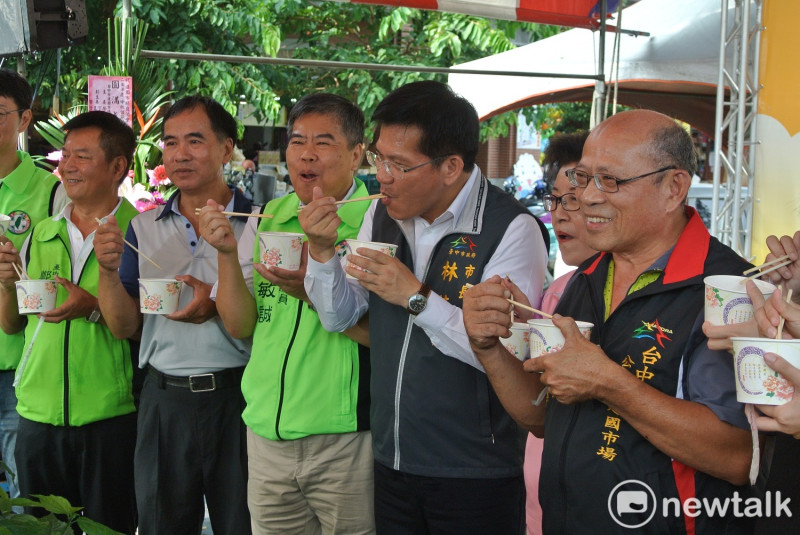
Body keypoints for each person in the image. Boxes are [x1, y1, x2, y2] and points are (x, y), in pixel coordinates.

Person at [463, 109, 754, 534]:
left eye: (611, 181)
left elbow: (736, 458)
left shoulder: (727, 293)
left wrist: (609, 383)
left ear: (673, 188)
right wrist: (488, 345)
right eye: (583, 178)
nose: (588, 197)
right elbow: (543, 418)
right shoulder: (586, 278)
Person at [301, 80, 549, 534]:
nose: (384, 176)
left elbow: (509, 354)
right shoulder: (382, 213)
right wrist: (321, 253)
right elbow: (338, 315)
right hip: (392, 457)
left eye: (399, 164)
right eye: (379, 158)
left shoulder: (512, 229)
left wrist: (415, 298)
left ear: (451, 166)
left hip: (475, 468)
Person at [200, 93, 374, 534]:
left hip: (343, 438)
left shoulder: (377, 221)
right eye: (297, 142)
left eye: (324, 142)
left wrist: (309, 290)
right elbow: (239, 324)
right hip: (265, 432)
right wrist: (224, 252)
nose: (307, 154)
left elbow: (385, 334)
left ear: (357, 154)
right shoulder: (269, 216)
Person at [94, 96, 252, 535]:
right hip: (164, 401)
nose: (180, 154)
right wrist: (107, 272)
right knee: (162, 524)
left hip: (239, 399)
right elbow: (125, 326)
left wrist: (218, 306)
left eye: (195, 141)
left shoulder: (259, 223)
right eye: (170, 142)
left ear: (226, 148)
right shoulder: (142, 228)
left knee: (244, 524)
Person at [0, 110, 137, 533]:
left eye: (82, 156)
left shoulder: (141, 233)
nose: (66, 167)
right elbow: (12, 325)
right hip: (37, 414)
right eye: (65, 156)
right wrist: (6, 284)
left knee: (105, 527)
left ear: (118, 167)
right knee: (40, 528)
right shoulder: (41, 234)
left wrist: (90, 305)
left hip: (108, 416)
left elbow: (128, 327)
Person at [0, 69, 67, 501]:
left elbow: (62, 278)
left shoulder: (50, 194)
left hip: (19, 368)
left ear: (25, 120)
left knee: (24, 498)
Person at [524, 130, 593, 535]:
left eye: (575, 201)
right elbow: (536, 406)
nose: (561, 214)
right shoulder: (555, 292)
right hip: (541, 496)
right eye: (556, 199)